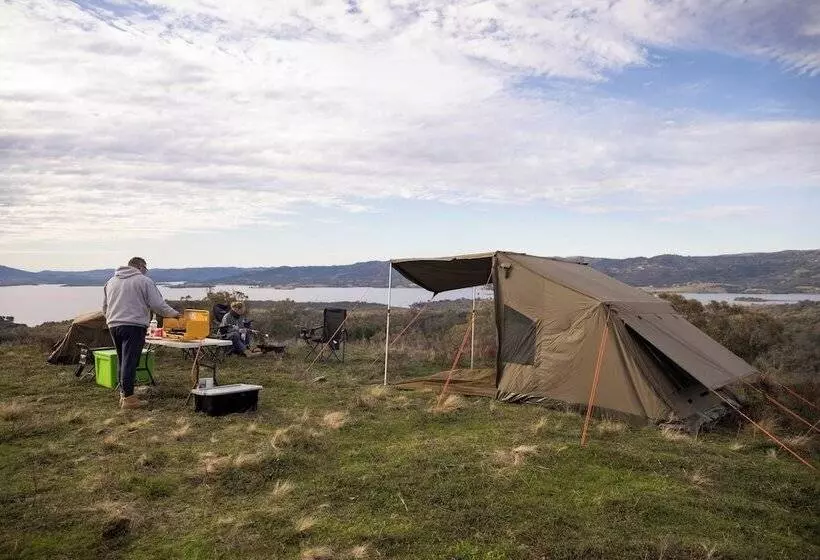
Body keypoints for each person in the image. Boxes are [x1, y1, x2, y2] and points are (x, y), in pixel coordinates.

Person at [102, 257, 180, 409]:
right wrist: (175, 314)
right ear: (140, 267)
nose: (146, 271)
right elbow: (157, 304)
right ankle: (129, 399)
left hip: (113, 325)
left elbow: (105, 307)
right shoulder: (143, 281)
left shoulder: (111, 282)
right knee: (130, 361)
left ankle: (124, 395)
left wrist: (112, 319)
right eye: (145, 268)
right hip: (134, 325)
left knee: (122, 360)